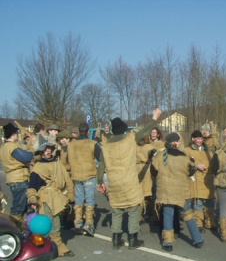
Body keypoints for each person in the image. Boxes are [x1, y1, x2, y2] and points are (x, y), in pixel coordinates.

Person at [97, 108, 162, 250]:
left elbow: (101, 164)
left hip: (114, 181)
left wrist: (100, 182)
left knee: (117, 209)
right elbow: (145, 132)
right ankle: (133, 239)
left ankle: (116, 239)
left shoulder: (106, 145)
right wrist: (154, 118)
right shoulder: (130, 138)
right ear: (124, 129)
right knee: (133, 209)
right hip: (129, 180)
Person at [151, 132, 204, 252]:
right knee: (188, 215)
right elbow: (190, 171)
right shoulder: (183, 156)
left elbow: (153, 171)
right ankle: (197, 239)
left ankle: (167, 242)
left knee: (168, 215)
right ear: (174, 143)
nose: (180, 143)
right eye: (178, 141)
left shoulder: (159, 155)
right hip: (182, 191)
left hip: (165, 190)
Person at [27, 141, 74, 257]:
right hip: (45, 197)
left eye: (50, 149)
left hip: (58, 196)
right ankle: (58, 246)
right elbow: (32, 185)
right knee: (50, 222)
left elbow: (67, 180)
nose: (48, 151)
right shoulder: (38, 167)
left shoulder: (58, 163)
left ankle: (49, 245)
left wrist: (71, 196)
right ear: (42, 152)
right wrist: (32, 199)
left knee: (57, 222)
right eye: (46, 149)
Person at [67, 122, 100, 236]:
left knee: (79, 198)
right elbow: (100, 157)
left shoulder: (71, 145)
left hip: (76, 174)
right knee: (89, 199)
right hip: (89, 174)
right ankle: (89, 223)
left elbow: (68, 159)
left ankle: (78, 222)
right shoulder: (92, 144)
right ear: (88, 132)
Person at [0, 123, 34, 222]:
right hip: (18, 178)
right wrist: (32, 148)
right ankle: (14, 225)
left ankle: (18, 226)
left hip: (13, 177)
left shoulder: (4, 147)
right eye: (17, 133)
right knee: (19, 207)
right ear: (14, 134)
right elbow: (26, 157)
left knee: (20, 205)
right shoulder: (12, 147)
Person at [184, 130, 216, 232]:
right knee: (198, 203)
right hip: (196, 179)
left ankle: (210, 223)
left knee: (210, 202)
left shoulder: (207, 150)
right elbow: (185, 162)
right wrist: (197, 165)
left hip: (208, 179)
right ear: (192, 139)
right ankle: (199, 223)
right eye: (197, 138)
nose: (199, 140)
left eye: (201, 138)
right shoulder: (187, 150)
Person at [56, 129, 75, 229]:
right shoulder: (59, 151)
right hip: (61, 176)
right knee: (62, 198)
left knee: (71, 198)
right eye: (61, 139)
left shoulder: (71, 149)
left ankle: (70, 219)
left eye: (66, 139)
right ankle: (63, 218)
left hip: (70, 176)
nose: (63, 140)